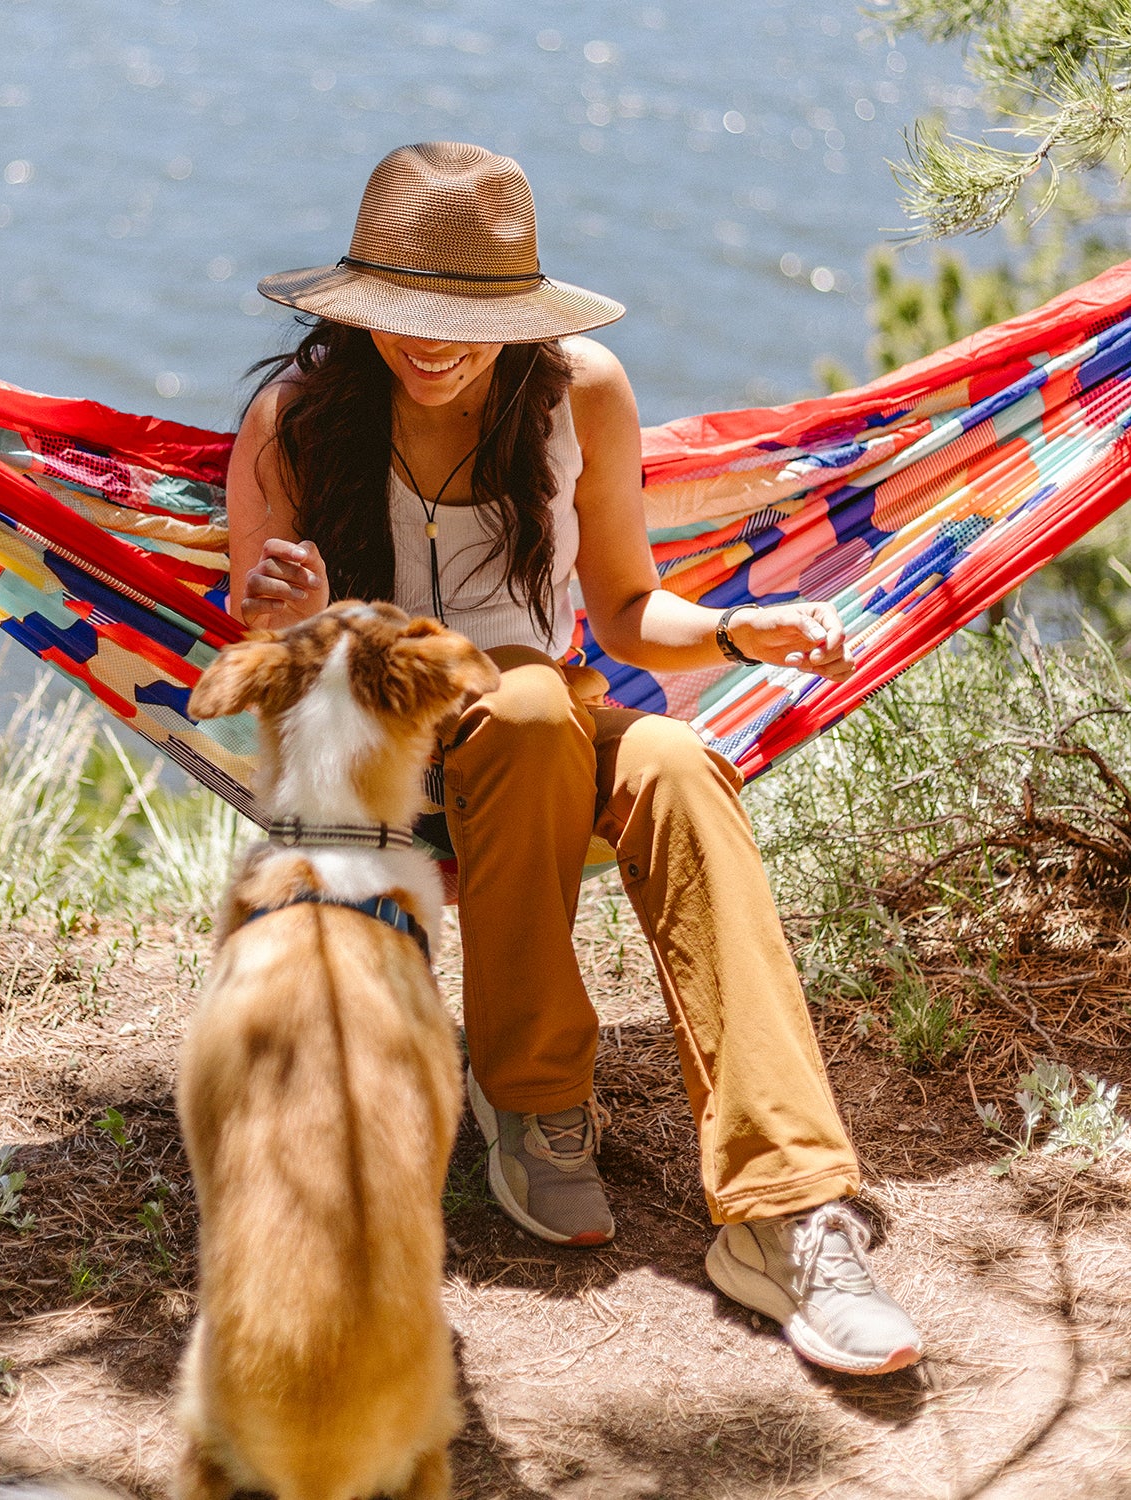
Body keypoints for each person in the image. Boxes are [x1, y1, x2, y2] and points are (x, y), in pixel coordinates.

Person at [224, 141, 921, 1377]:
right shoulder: (297, 420)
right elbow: (269, 647)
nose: (428, 343)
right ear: (359, 304)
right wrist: (296, 613)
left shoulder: (579, 392)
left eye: (465, 319)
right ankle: (535, 1097)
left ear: (519, 316)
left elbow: (625, 605)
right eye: (401, 315)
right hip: (383, 751)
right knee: (541, 705)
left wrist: (728, 630)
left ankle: (787, 1210)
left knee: (678, 764)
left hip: (536, 732)